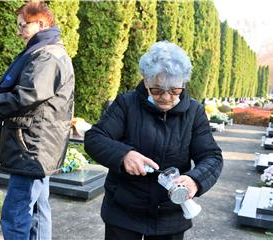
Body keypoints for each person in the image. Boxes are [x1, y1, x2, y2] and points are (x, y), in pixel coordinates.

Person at [0, 2, 74, 239]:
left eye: (22, 26)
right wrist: (5, 87)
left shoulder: (46, 55)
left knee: (16, 212)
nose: (18, 32)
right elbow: (36, 91)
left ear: (41, 23)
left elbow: (27, 98)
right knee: (37, 210)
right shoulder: (47, 50)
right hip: (37, 144)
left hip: (32, 146)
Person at [84, 41, 223, 240]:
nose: (166, 97)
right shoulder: (126, 104)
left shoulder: (194, 112)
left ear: (183, 83)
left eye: (174, 91)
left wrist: (195, 180)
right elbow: (94, 138)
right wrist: (124, 155)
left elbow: (211, 156)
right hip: (124, 213)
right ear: (146, 81)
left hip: (170, 216)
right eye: (157, 90)